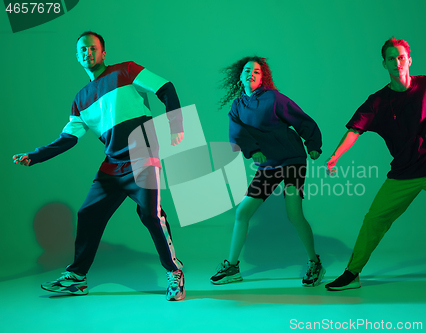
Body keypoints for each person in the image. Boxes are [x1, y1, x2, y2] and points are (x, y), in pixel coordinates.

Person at [12, 31, 186, 301]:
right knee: (88, 214)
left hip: (143, 155)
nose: (87, 53)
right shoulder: (80, 99)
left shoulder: (126, 70)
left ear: (103, 53)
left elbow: (166, 88)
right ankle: (77, 278)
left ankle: (174, 272)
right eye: (82, 50)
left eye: (92, 48)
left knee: (151, 215)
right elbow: (68, 138)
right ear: (78, 57)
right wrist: (35, 156)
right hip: (113, 164)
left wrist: (175, 123)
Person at [324, 37, 426, 296]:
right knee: (374, 220)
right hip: (404, 174)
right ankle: (352, 273)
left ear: (409, 60)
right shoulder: (378, 101)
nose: (397, 62)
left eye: (401, 57)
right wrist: (336, 155)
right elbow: (354, 130)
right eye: (391, 58)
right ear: (384, 64)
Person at [210, 56, 326, 287]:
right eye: (247, 70)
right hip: (269, 165)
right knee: (242, 212)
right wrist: (253, 151)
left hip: (292, 159)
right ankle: (232, 267)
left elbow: (301, 118)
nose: (251, 74)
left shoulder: (273, 98)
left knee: (294, 213)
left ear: (263, 77)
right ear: (240, 76)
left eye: (257, 71)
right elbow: (237, 135)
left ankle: (315, 263)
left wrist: (313, 144)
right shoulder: (237, 107)